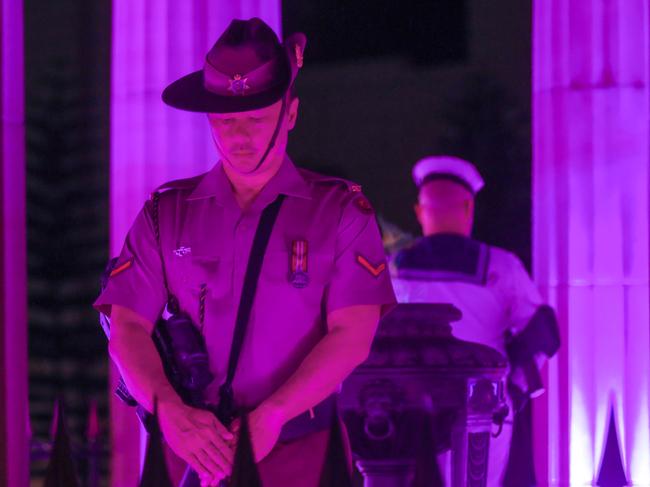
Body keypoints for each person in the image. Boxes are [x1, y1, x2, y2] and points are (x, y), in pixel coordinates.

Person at [95, 18, 395, 487]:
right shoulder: (165, 212)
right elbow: (127, 324)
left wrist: (274, 414)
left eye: (256, 119)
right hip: (188, 452)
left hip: (302, 452)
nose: (239, 136)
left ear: (290, 114)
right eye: (224, 120)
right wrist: (169, 410)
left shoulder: (339, 211)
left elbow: (354, 333)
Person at [390, 156, 558, 487]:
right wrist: (515, 388)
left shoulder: (392, 267)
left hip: (405, 407)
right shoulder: (502, 266)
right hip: (482, 406)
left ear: (420, 212)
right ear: (468, 209)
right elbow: (541, 331)